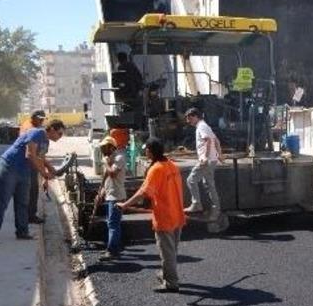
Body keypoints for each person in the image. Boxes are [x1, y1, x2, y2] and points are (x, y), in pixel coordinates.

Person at [118, 138, 186, 293]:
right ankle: (165, 273)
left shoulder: (156, 169)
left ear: (151, 151)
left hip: (165, 216)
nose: (145, 152)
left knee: (167, 251)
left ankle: (171, 283)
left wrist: (125, 204)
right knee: (172, 249)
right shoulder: (172, 166)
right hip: (177, 214)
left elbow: (143, 192)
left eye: (146, 150)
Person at [0, 119, 65, 243]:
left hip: (24, 171)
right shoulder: (36, 133)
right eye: (59, 133)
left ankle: (22, 232)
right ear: (52, 129)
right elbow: (30, 154)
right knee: (2, 202)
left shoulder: (46, 141)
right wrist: (44, 173)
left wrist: (51, 169)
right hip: (9, 167)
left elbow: (41, 157)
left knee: (23, 203)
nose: (60, 137)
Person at [183, 107, 223, 216]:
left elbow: (208, 140)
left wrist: (205, 157)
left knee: (191, 180)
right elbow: (216, 140)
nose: (188, 121)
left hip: (207, 160)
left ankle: (196, 204)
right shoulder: (206, 126)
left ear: (196, 116)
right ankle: (216, 209)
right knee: (209, 184)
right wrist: (219, 155)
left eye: (190, 118)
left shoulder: (201, 126)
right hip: (212, 160)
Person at [92, 135, 126, 261]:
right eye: (102, 148)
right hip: (109, 195)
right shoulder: (110, 158)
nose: (103, 150)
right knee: (112, 223)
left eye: (106, 147)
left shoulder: (119, 158)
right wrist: (100, 192)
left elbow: (112, 173)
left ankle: (112, 251)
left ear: (112, 147)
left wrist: (106, 163)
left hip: (117, 196)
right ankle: (115, 247)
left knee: (113, 223)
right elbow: (105, 178)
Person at [20, 110, 47, 224]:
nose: (41, 122)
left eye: (43, 120)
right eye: (40, 119)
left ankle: (27, 214)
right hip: (29, 163)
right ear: (34, 118)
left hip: (25, 162)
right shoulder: (33, 130)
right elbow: (35, 153)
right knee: (33, 189)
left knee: (28, 190)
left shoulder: (27, 125)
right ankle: (31, 215)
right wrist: (43, 172)